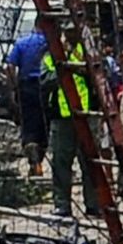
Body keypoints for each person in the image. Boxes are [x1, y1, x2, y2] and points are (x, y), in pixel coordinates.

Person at [41, 21, 101, 221]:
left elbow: (97, 75)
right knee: (61, 163)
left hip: (86, 115)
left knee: (90, 163)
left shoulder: (87, 52)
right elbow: (44, 80)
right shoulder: (51, 55)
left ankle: (93, 205)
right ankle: (62, 205)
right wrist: (62, 67)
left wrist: (74, 63)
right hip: (62, 117)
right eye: (67, 31)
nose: (71, 34)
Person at [5, 22, 48, 175]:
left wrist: (13, 88)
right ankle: (39, 158)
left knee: (28, 124)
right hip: (46, 87)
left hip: (26, 87)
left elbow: (10, 66)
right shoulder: (51, 44)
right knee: (44, 125)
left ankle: (34, 160)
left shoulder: (22, 43)